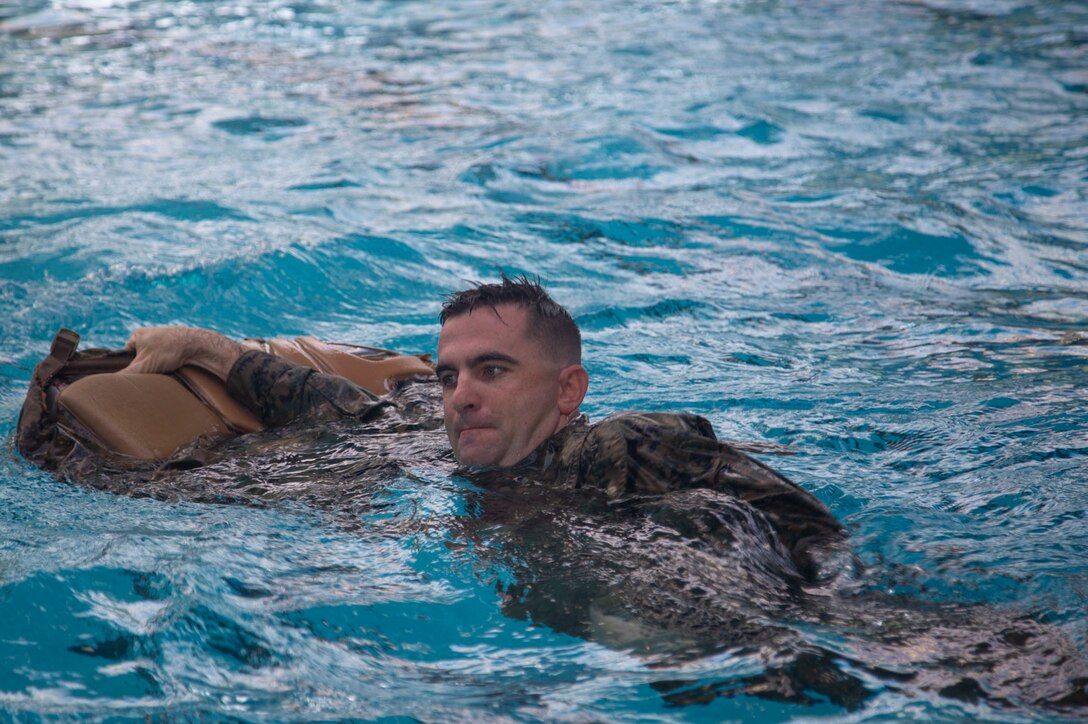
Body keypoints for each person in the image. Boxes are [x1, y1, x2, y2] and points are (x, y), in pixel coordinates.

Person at [122, 276, 848, 580]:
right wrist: (203, 347)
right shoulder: (427, 439)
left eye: (493, 371)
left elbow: (810, 534)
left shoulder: (616, 449)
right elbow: (331, 404)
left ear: (568, 392)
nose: (461, 396)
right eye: (449, 376)